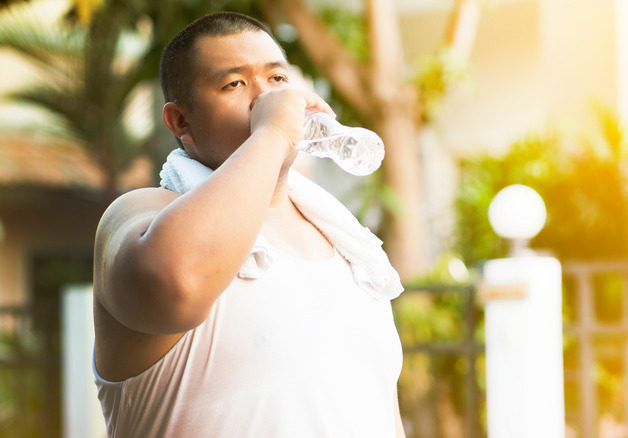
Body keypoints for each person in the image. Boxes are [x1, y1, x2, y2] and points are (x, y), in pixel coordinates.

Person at [92, 12, 405, 438]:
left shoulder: (350, 250)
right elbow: (176, 282)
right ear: (181, 122)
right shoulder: (142, 213)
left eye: (277, 79)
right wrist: (272, 133)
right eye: (235, 84)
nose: (265, 99)